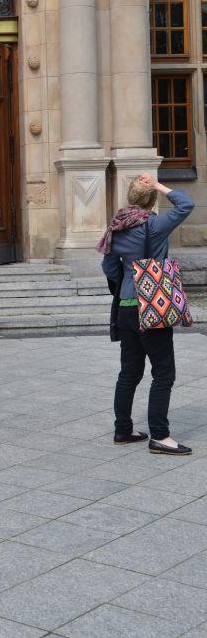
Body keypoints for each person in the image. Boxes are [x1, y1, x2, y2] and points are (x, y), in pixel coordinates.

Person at [98, 173, 195, 455]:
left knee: (129, 372)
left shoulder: (115, 227)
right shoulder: (153, 224)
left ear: (130, 198)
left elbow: (109, 268)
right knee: (163, 373)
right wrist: (160, 185)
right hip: (152, 306)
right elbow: (185, 205)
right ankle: (160, 437)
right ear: (151, 201)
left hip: (126, 307)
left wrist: (127, 282)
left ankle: (123, 429)